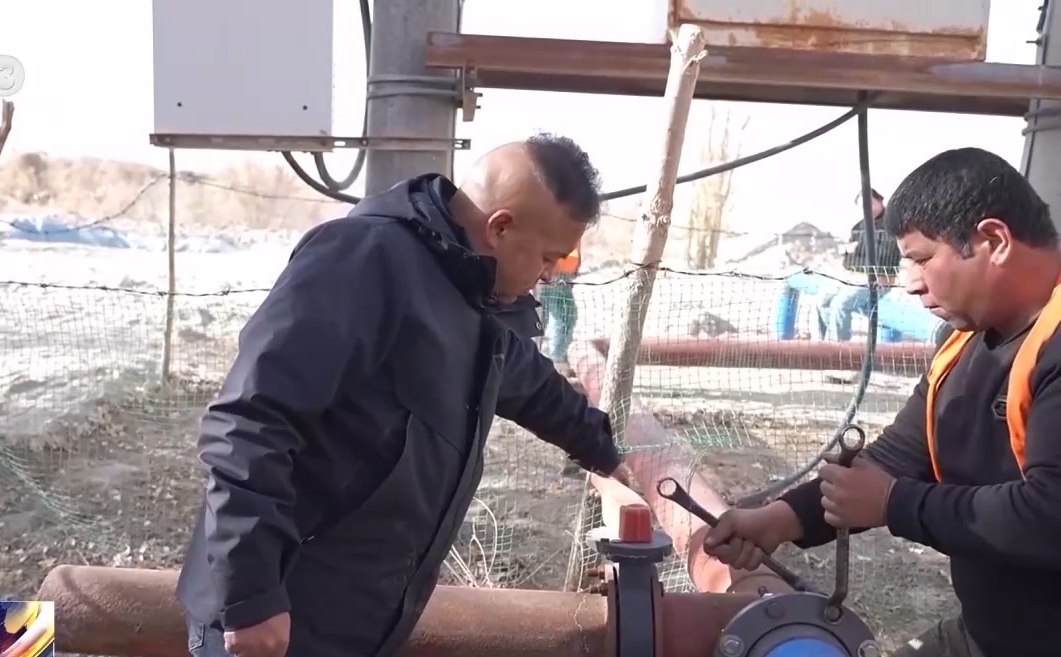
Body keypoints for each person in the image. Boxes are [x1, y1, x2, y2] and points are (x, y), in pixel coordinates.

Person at [177, 134, 638, 657]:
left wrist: (603, 452)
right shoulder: (361, 261)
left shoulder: (476, 296)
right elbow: (249, 421)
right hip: (279, 613)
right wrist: (251, 593)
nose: (550, 274)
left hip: (353, 620)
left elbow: (528, 382)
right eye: (549, 257)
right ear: (500, 227)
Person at [703, 147, 1061, 657]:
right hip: (987, 635)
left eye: (922, 259)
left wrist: (895, 503)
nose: (909, 283)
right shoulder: (962, 342)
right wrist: (781, 519)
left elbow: (1050, 516)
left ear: (994, 240)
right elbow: (900, 456)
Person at [821, 188, 904, 341]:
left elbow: (884, 257)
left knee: (840, 304)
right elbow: (848, 263)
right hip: (855, 278)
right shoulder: (859, 227)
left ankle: (840, 348)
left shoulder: (891, 225)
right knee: (822, 301)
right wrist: (847, 251)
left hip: (878, 281)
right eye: (862, 206)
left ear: (880, 200)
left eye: (869, 203)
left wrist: (857, 253)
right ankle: (824, 344)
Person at [538, 247, 580, 368]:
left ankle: (539, 355)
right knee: (565, 318)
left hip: (559, 268)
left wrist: (577, 264)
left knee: (541, 315)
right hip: (557, 269)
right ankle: (557, 360)